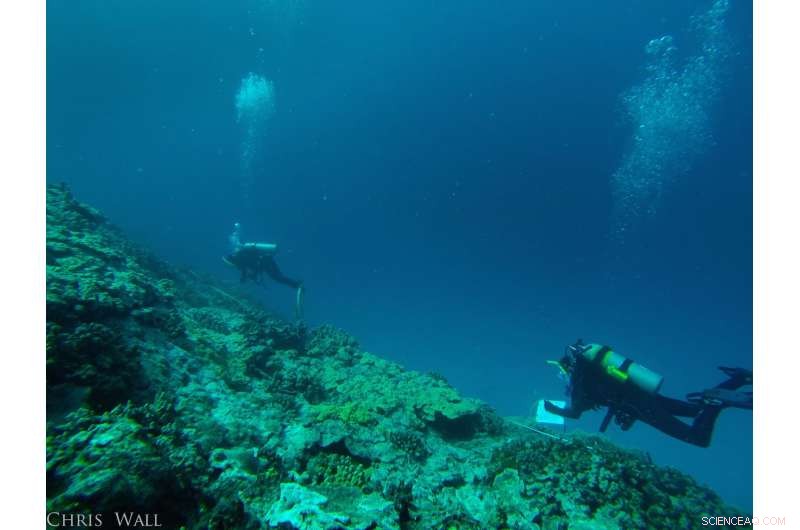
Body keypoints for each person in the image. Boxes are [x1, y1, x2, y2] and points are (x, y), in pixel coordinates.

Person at [543, 340, 752, 448]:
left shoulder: (580, 381)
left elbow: (575, 412)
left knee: (697, 437)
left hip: (640, 406)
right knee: (696, 410)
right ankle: (739, 379)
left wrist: (550, 408)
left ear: (567, 369)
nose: (563, 378)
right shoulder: (594, 371)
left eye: (562, 373)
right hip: (643, 395)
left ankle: (716, 402)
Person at [223, 223, 305, 318]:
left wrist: (245, 278)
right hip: (266, 260)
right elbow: (248, 268)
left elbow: (247, 270)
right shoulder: (240, 257)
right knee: (278, 277)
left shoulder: (239, 259)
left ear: (231, 260)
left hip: (265, 262)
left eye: (230, 264)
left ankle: (297, 284)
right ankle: (296, 284)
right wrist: (246, 277)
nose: (232, 266)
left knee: (278, 278)